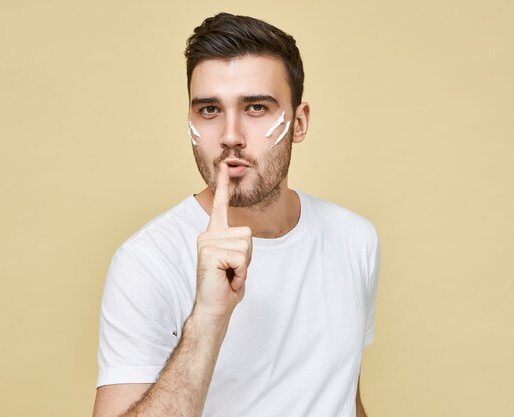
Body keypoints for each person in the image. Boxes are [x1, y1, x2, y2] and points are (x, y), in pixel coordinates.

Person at [93, 12, 380, 417]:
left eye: (256, 107)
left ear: (298, 123)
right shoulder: (146, 262)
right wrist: (209, 317)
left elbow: (342, 395)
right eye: (209, 110)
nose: (230, 136)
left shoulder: (355, 239)